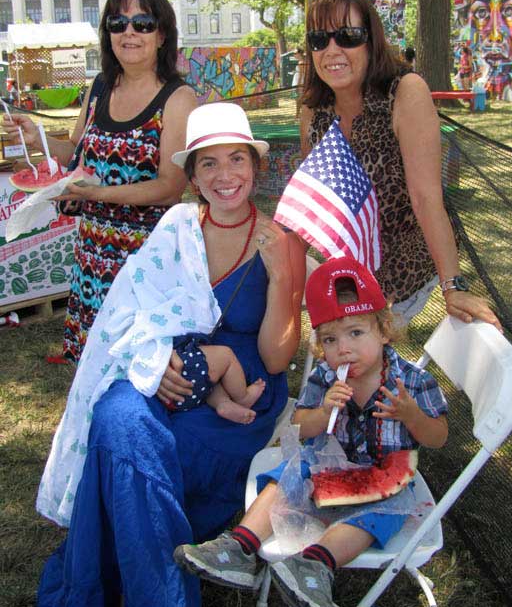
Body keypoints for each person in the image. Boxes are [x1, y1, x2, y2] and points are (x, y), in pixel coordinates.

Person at [36, 102, 306, 606]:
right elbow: (133, 309)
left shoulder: (281, 243)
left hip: (238, 392)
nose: (225, 175)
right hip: (169, 367)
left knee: (159, 450)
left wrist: (284, 278)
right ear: (193, 176)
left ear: (255, 166)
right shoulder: (177, 227)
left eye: (236, 160)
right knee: (116, 417)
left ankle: (133, 581)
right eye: (209, 163)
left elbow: (274, 360)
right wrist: (155, 363)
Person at [174, 256, 448, 607]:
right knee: (286, 475)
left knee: (379, 514)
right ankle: (240, 547)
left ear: (383, 329)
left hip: (384, 480)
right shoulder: (325, 375)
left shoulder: (413, 382)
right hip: (325, 464)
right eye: (330, 339)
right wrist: (324, 411)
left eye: (356, 333)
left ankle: (314, 566)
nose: (343, 348)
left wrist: (411, 415)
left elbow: (438, 437)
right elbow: (300, 426)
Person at [2, 0, 198, 362]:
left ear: (161, 35)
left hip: (145, 261)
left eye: (142, 23)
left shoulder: (178, 98)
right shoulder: (100, 87)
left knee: (139, 371)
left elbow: (169, 187)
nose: (129, 32)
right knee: (92, 369)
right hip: (92, 254)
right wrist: (36, 134)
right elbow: (77, 153)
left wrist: (97, 194)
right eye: (117, 22)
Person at [299, 0, 501, 330]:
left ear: (371, 40)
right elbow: (317, 198)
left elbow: (426, 198)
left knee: (357, 352)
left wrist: (453, 286)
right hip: (347, 263)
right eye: (319, 39)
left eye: (348, 35)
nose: (332, 49)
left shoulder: (405, 92)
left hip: (402, 265)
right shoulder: (312, 107)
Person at [169, 336, 266, 424]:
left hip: (171, 398)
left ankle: (223, 403)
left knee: (210, 379)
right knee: (225, 355)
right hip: (180, 368)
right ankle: (243, 398)